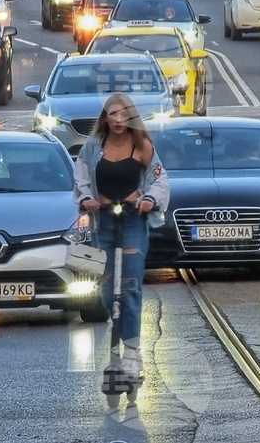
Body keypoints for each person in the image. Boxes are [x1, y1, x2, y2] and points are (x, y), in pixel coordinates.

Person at [73, 93, 169, 383]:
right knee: (103, 289)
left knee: (129, 287)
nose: (118, 121)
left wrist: (150, 199)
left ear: (131, 118)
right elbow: (80, 179)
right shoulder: (93, 147)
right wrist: (87, 199)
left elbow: (160, 180)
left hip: (132, 219)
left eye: (124, 115)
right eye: (112, 115)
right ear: (105, 118)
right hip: (103, 219)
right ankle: (118, 339)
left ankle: (131, 353)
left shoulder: (143, 146)